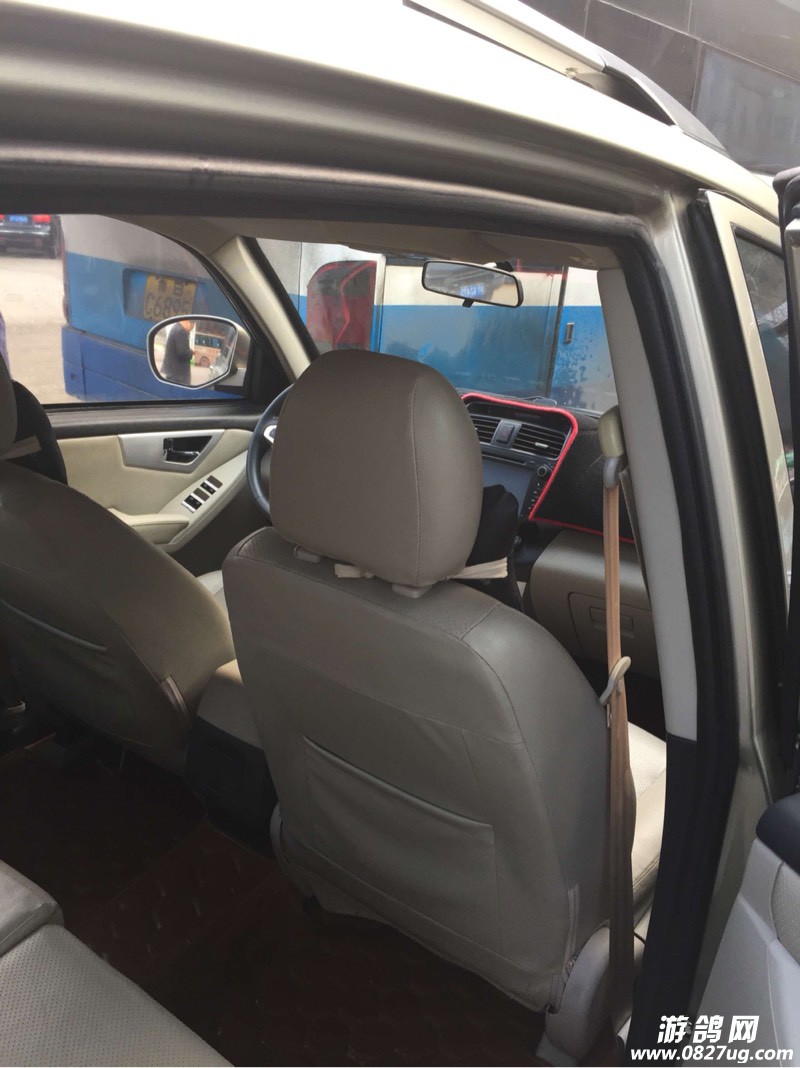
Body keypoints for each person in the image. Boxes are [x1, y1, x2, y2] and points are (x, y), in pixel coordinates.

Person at [161, 319, 194, 386]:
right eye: (192, 327)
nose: (191, 329)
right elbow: (182, 353)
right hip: (178, 374)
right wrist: (191, 352)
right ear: (188, 322)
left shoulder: (176, 328)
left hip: (173, 371)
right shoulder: (180, 331)